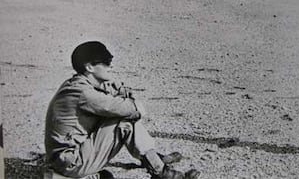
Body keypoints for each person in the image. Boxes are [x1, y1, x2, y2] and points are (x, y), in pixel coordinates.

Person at [44, 41, 200, 179]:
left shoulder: (80, 85)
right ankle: (161, 172)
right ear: (89, 66)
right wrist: (125, 96)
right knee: (123, 120)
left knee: (122, 116)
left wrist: (118, 90)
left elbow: (119, 97)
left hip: (66, 158)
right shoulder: (84, 93)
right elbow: (133, 108)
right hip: (70, 163)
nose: (110, 66)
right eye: (105, 62)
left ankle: (153, 160)